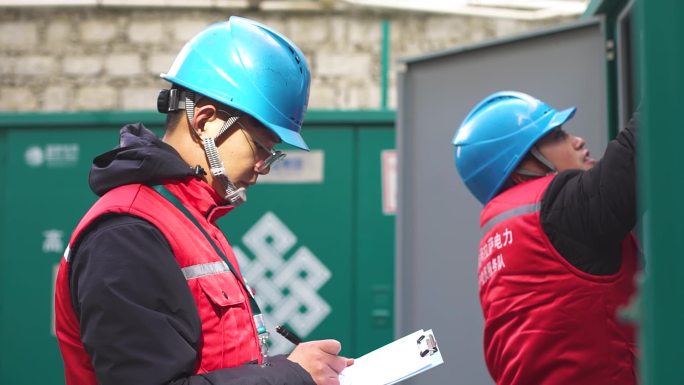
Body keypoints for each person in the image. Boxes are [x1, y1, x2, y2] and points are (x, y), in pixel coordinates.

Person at [54, 16, 351, 385]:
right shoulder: (127, 234)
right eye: (261, 147)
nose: (263, 167)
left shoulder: (192, 222)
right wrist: (290, 376)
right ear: (206, 122)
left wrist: (288, 369)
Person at [452, 91, 639, 385]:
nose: (577, 141)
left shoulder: (505, 228)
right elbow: (636, 154)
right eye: (557, 136)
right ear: (520, 167)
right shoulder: (557, 208)